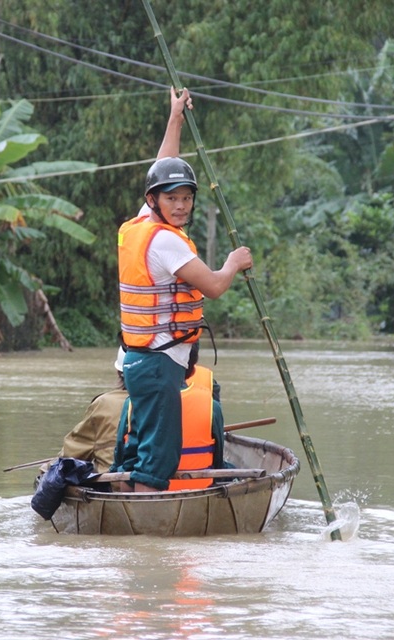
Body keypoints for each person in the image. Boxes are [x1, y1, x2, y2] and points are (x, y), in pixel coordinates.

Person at [117, 87, 253, 492]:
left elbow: (163, 165)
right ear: (154, 201)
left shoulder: (145, 224)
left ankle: (127, 514)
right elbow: (212, 286)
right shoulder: (166, 241)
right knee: (158, 459)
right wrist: (234, 262)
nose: (181, 206)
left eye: (187, 198)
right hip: (159, 366)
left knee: (142, 447)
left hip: (139, 362)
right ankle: (146, 540)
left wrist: (175, 116)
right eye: (172, 199)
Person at [111, 342, 226, 490]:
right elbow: (218, 460)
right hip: (200, 488)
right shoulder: (212, 406)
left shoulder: (133, 403)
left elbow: (121, 456)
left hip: (146, 491)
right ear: (192, 367)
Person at [43, 348, 129, 474]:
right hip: (163, 485)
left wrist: (48, 467)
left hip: (113, 484)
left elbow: (72, 453)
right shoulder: (166, 401)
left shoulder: (103, 404)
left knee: (50, 472)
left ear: (118, 372)